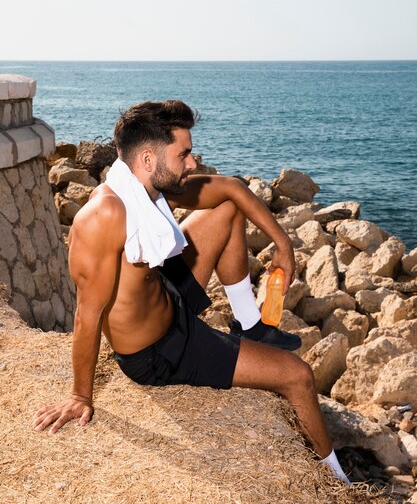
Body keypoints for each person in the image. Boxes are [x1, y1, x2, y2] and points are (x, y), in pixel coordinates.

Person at [33, 100, 349, 484]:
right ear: (148, 159)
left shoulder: (146, 185)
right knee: (297, 375)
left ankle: (250, 324)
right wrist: (81, 396)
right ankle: (339, 483)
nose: (192, 162)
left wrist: (283, 244)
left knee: (226, 209)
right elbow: (87, 314)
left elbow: (232, 189)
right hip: (161, 351)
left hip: (167, 293)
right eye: (183, 154)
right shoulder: (104, 217)